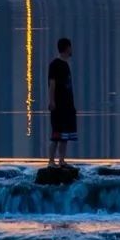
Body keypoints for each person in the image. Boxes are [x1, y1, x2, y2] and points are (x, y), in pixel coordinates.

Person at [47, 37, 77, 167]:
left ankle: (62, 160)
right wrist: (52, 101)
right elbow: (52, 84)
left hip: (68, 105)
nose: (71, 49)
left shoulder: (65, 65)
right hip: (58, 106)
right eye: (70, 47)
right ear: (66, 48)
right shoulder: (55, 64)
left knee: (65, 136)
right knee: (56, 135)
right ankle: (51, 161)